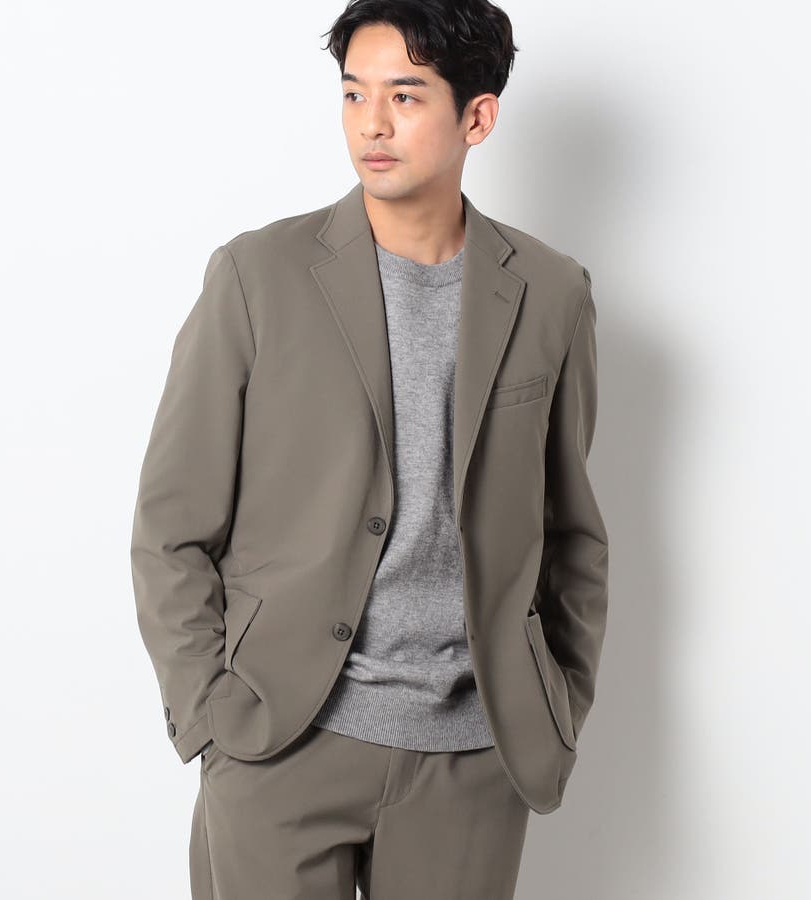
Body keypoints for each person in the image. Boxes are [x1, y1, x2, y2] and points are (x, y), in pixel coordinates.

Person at [130, 1, 609, 897]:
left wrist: (557, 704)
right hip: (281, 742)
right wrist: (210, 712)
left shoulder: (551, 294)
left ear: (477, 116)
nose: (372, 124)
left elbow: (573, 535)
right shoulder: (257, 276)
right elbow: (172, 525)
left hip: (470, 761)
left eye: (405, 96)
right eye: (354, 94)